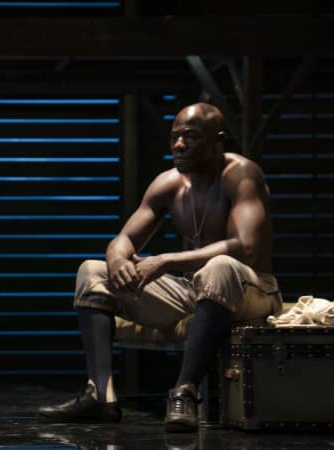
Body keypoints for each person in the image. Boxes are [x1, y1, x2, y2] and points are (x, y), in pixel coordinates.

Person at [38, 103, 282, 432]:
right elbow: (123, 238)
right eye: (175, 137)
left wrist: (164, 260)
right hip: (195, 288)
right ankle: (101, 395)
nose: (179, 145)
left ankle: (185, 392)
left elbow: (245, 246)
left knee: (220, 266)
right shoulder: (169, 183)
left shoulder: (240, 174)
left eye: (191, 137)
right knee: (92, 271)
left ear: (217, 139)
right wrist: (119, 260)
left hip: (252, 289)